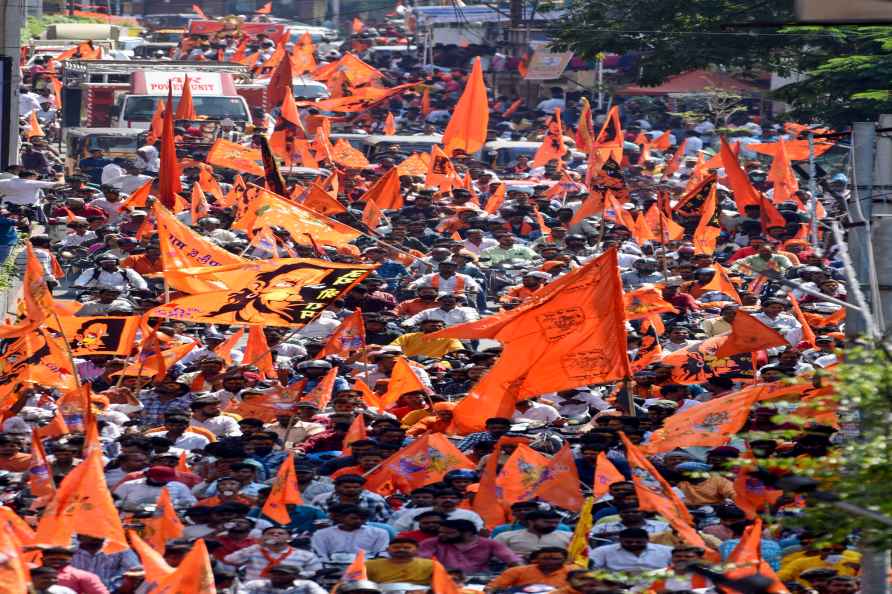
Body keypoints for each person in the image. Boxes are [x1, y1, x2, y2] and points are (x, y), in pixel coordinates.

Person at [417, 519, 521, 573]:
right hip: (443, 578)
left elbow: (513, 560)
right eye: (440, 532)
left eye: (449, 533)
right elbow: (418, 561)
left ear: (468, 533)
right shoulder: (432, 542)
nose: (441, 535)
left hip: (480, 578)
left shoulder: (489, 543)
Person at [223, 527, 322, 581]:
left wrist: (291, 576)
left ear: (289, 539)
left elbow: (317, 572)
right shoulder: (253, 551)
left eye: (280, 533)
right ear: (262, 537)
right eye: (270, 533)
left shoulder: (305, 555)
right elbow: (229, 559)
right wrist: (259, 545)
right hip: (255, 589)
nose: (275, 535)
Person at [310, 504, 390, 559]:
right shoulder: (321, 534)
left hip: (366, 566)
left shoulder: (379, 533)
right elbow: (320, 554)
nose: (359, 521)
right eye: (354, 518)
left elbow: (381, 553)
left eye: (362, 518)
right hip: (332, 566)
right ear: (341, 518)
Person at [485, 547, 580, 591]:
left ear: (565, 560)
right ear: (535, 560)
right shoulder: (516, 571)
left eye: (556, 559)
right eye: (545, 558)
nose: (550, 561)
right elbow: (493, 588)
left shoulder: (575, 571)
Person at [589, 528, 672, 574]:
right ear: (620, 540)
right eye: (628, 542)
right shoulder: (603, 551)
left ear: (647, 540)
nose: (633, 544)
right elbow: (591, 568)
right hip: (617, 585)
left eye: (638, 542)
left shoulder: (666, 550)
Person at [494, 510, 573, 556]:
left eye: (556, 523)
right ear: (531, 522)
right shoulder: (505, 537)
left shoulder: (569, 537)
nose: (553, 525)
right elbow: (494, 556)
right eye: (547, 522)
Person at [41, 546, 110, 594]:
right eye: (52, 559)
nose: (56, 561)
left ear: (69, 560)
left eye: (62, 560)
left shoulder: (83, 576)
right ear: (42, 559)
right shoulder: (32, 573)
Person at [365, 538, 435, 585]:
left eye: (407, 548)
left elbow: (440, 585)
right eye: (396, 547)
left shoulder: (431, 564)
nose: (401, 550)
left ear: (417, 550)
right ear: (387, 549)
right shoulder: (369, 565)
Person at [239, 563, 329, 594]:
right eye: (274, 574)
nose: (277, 576)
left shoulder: (307, 585)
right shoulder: (255, 584)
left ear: (295, 576)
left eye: (282, 574)